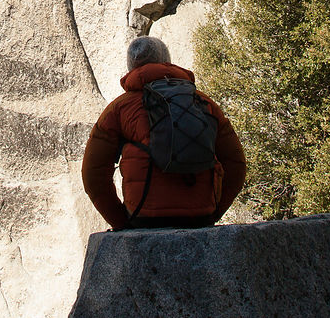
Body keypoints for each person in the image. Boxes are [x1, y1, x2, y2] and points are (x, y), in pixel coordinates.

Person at [82, 36, 246, 229]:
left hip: (145, 216)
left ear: (131, 66)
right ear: (167, 60)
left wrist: (121, 222)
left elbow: (93, 174)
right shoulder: (203, 102)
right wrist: (214, 212)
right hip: (201, 214)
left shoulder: (119, 108)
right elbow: (236, 164)